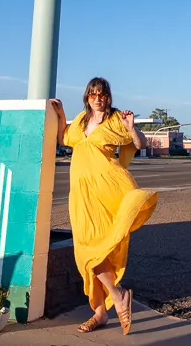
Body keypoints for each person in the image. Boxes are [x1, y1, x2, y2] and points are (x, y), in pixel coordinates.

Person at [49, 78, 155, 335]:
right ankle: (107, 306)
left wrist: (131, 127)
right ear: (87, 97)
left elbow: (139, 145)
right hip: (83, 196)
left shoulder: (117, 119)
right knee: (87, 253)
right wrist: (61, 114)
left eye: (103, 94)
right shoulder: (81, 120)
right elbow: (64, 138)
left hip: (108, 189)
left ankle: (107, 306)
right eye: (93, 94)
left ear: (108, 97)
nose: (98, 98)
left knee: (97, 251)